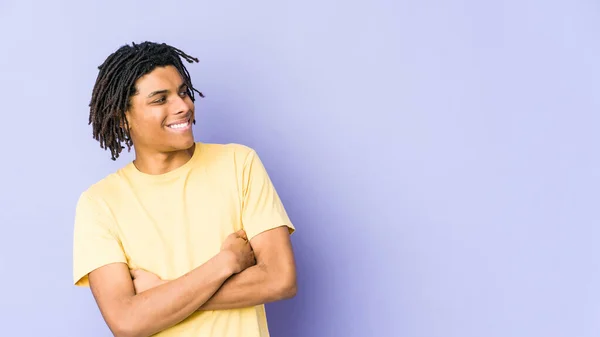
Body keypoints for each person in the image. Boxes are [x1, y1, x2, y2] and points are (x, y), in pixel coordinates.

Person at [72, 41, 297, 337]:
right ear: (122, 117)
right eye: (159, 99)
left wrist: (162, 294)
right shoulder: (99, 203)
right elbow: (126, 321)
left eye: (183, 92)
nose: (183, 106)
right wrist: (225, 263)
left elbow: (280, 279)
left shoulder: (238, 164)